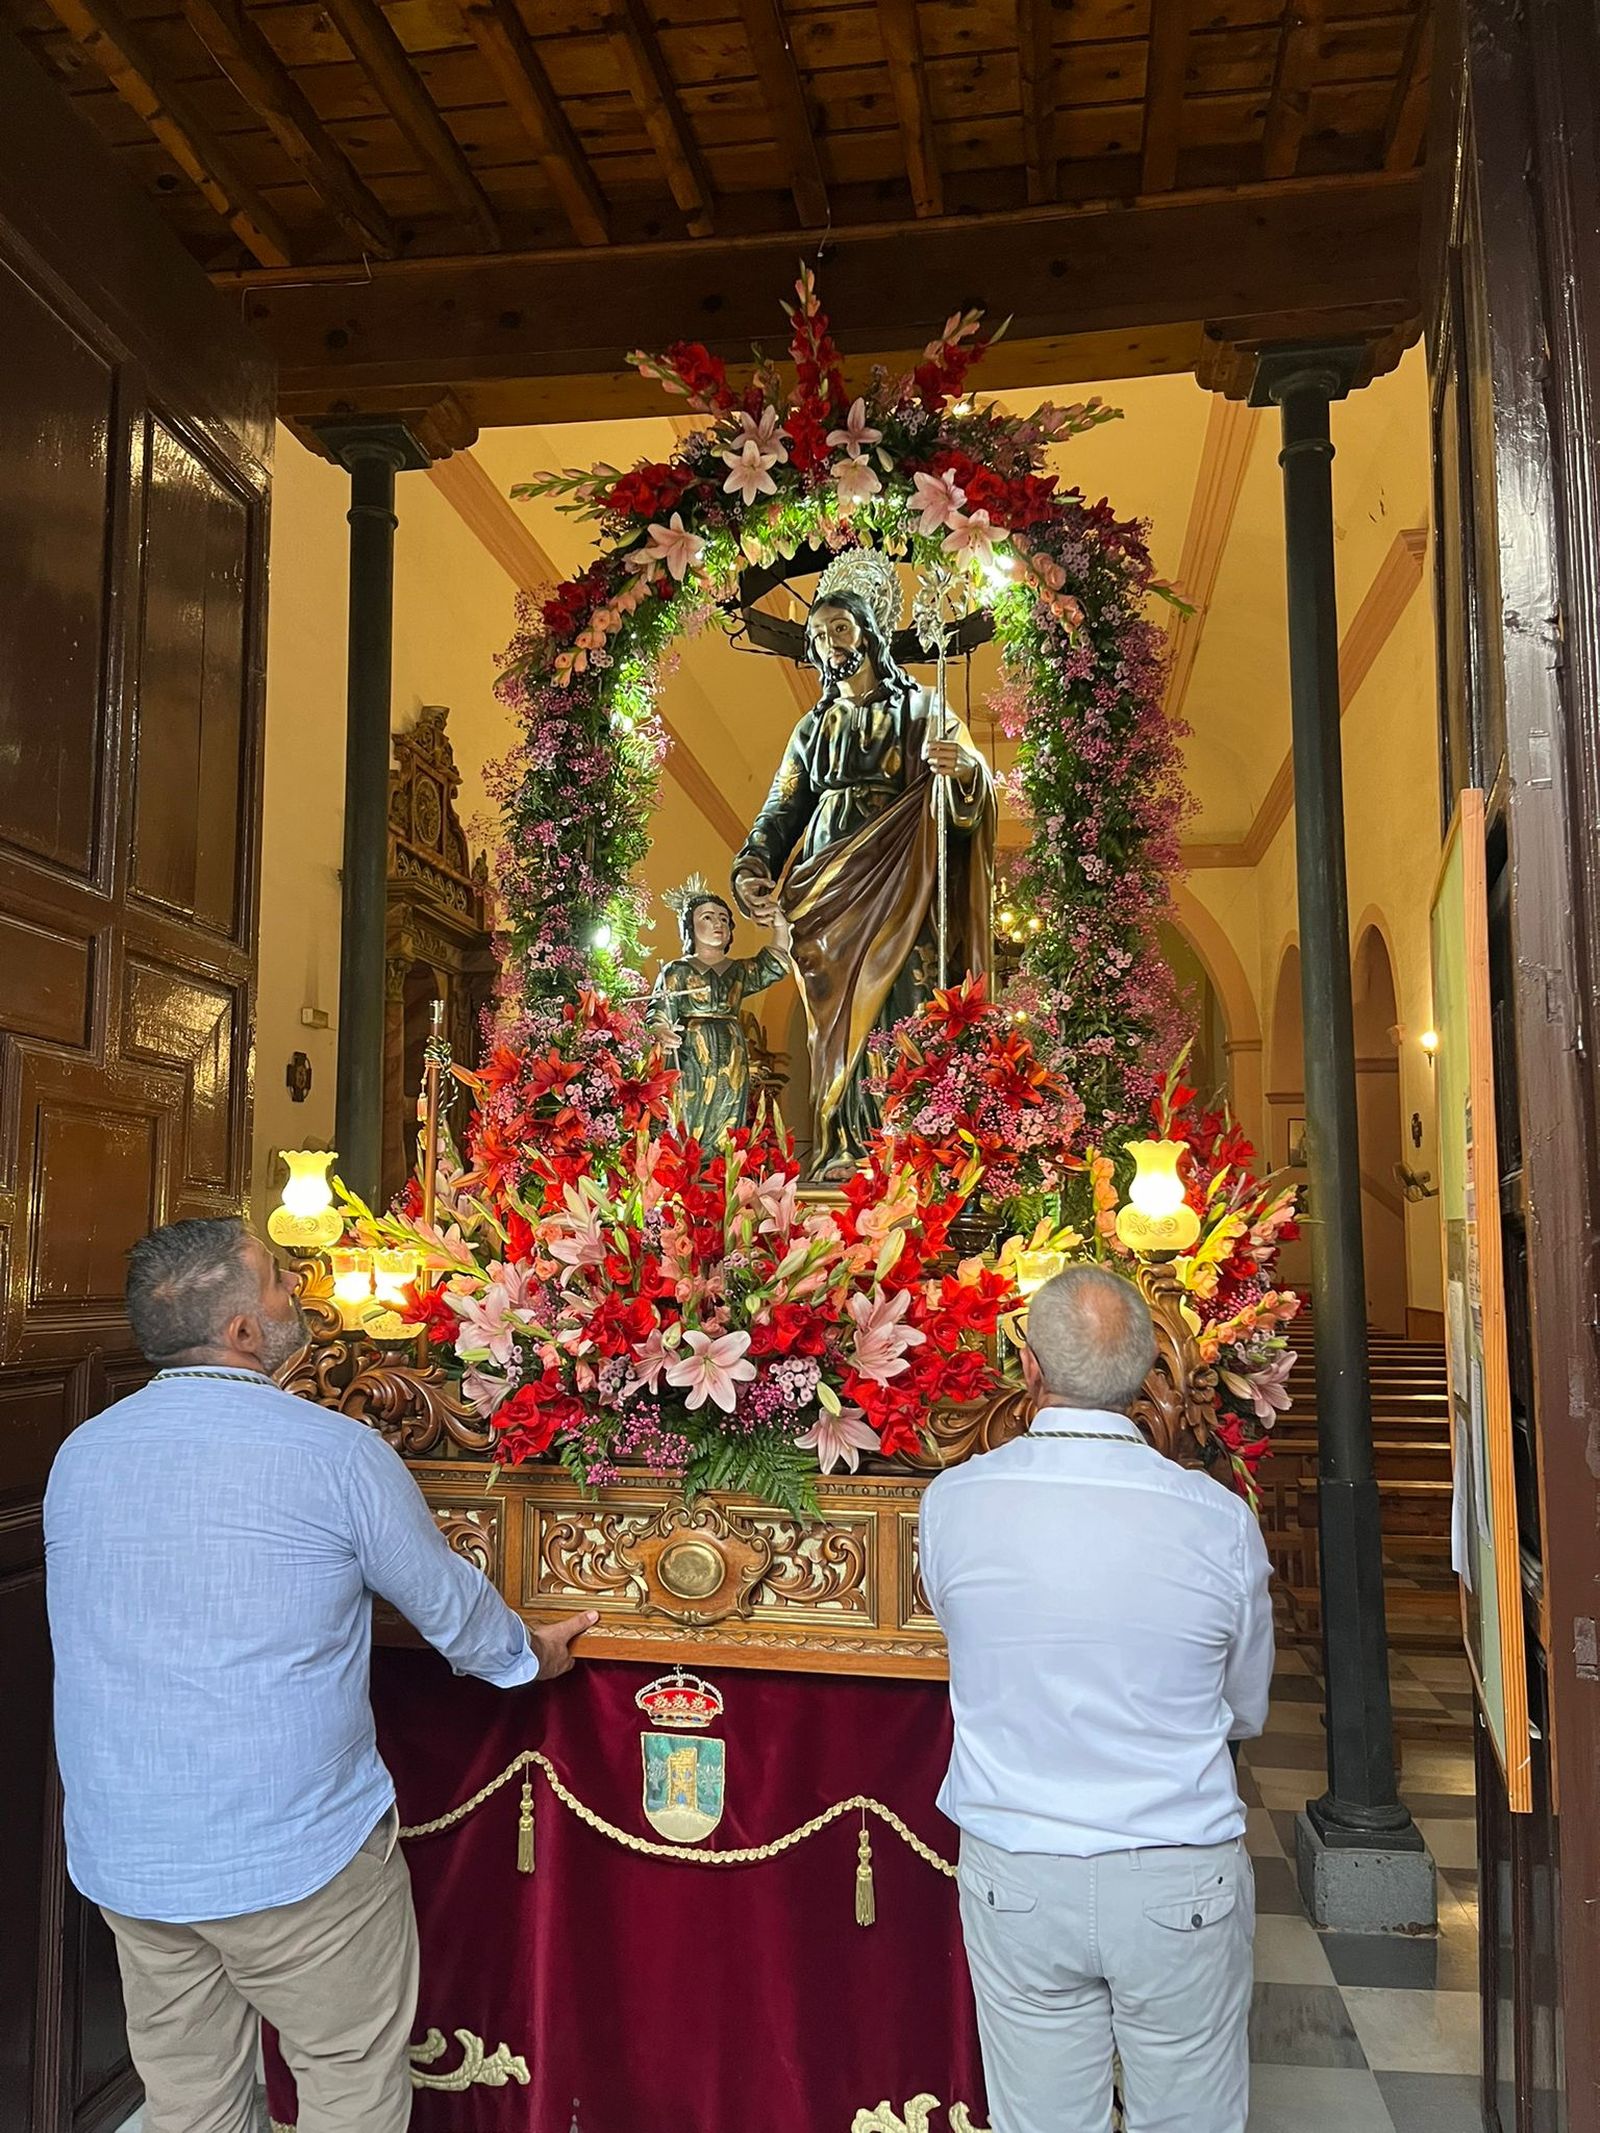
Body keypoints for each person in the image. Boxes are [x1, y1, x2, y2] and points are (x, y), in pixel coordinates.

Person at [45, 1218, 598, 2133]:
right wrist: (529, 1654)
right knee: (348, 2085)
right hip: (293, 1855)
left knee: (188, 2098)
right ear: (242, 1333)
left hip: (131, 1849)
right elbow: (453, 1613)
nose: (292, 1290)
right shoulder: (330, 1452)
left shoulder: (81, 1455)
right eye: (273, 1281)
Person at [919, 1264, 1274, 2133]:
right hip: (1176, 1864)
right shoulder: (1218, 1518)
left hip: (1019, 1865)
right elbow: (1248, 1706)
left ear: (1029, 1368)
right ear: (1154, 1372)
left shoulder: (952, 1501)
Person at [732, 547, 996, 1179]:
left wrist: (960, 773)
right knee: (834, 1022)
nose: (828, 645)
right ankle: (844, 1151)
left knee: (899, 997)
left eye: (839, 630)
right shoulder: (811, 728)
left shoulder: (921, 708)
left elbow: (975, 784)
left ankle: (902, 1144)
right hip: (829, 879)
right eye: (818, 636)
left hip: (902, 875)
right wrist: (753, 866)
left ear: (869, 634)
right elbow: (781, 809)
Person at [648, 878, 792, 1146]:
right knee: (687, 1108)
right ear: (689, 926)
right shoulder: (677, 970)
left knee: (728, 1108)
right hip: (690, 1051)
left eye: (724, 919)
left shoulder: (738, 971)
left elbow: (773, 963)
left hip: (730, 1053)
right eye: (708, 917)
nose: (718, 923)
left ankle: (721, 1166)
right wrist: (661, 1029)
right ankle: (688, 1161)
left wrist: (781, 927)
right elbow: (659, 1008)